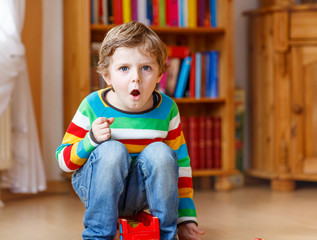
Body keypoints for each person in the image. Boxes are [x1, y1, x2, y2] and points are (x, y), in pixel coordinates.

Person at [56, 21, 204, 240]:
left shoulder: (167, 109)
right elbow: (64, 162)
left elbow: (181, 167)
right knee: (112, 150)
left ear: (160, 75)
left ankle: (166, 234)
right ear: (107, 75)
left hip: (139, 194)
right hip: (97, 187)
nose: (136, 77)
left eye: (146, 68)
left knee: (161, 153)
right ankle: (98, 235)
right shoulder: (93, 105)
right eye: (124, 68)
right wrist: (92, 140)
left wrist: (186, 219)